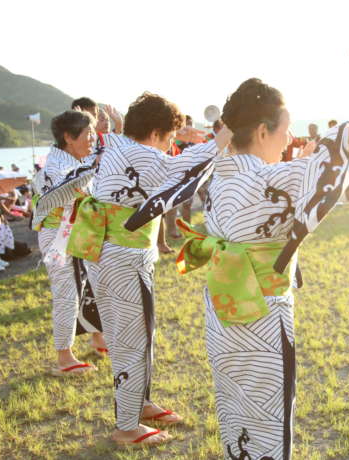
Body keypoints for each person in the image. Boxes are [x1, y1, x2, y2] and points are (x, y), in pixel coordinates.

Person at [124, 44, 349, 459]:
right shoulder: (273, 179)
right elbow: (342, 152)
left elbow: (277, 180)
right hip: (262, 318)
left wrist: (287, 168)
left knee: (235, 410)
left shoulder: (223, 174)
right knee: (269, 418)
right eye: (286, 129)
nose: (290, 139)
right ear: (262, 131)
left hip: (223, 315)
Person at [38, 92, 233, 445]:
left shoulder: (115, 144)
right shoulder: (147, 155)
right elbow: (189, 167)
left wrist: (122, 124)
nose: (171, 145)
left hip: (106, 254)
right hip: (123, 258)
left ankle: (139, 402)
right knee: (132, 337)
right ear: (156, 133)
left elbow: (145, 147)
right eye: (170, 138)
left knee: (131, 333)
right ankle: (126, 426)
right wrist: (225, 133)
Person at [32, 110, 109, 378]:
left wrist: (108, 132)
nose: (92, 138)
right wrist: (94, 165)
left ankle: (98, 337)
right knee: (67, 294)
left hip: (76, 232)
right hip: (58, 236)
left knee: (89, 285)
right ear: (68, 137)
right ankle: (64, 356)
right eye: (87, 133)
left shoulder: (75, 157)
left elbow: (94, 158)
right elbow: (68, 186)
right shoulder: (56, 166)